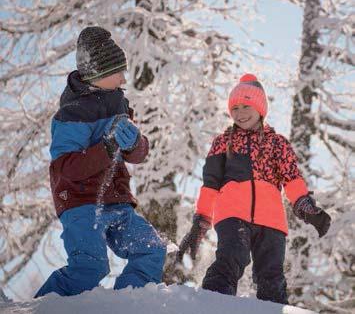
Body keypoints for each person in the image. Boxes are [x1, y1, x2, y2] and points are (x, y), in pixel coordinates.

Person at [177, 73, 331, 304]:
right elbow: (210, 185)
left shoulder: (277, 143)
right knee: (231, 257)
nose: (240, 113)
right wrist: (201, 220)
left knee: (271, 273)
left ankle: (274, 308)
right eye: (235, 108)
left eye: (246, 105)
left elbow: (292, 179)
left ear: (260, 108)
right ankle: (211, 304)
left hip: (272, 220)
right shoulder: (223, 141)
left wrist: (305, 206)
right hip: (232, 214)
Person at [35, 26, 166, 298]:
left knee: (152, 248)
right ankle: (41, 308)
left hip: (116, 200)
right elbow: (66, 169)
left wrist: (134, 144)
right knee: (90, 267)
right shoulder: (72, 113)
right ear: (99, 74)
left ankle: (127, 303)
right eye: (118, 71)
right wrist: (107, 146)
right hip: (81, 202)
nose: (122, 78)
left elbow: (139, 155)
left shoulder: (120, 104)